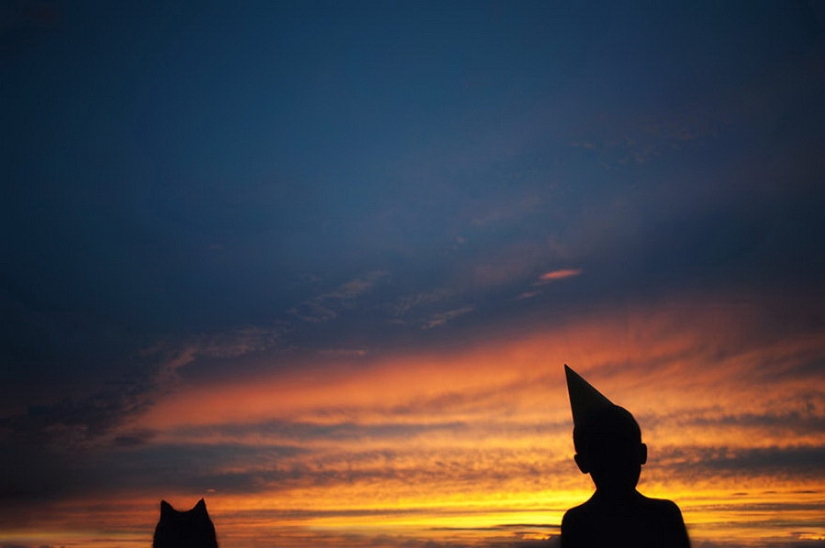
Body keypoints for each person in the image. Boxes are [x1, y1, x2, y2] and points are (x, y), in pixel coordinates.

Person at [561, 365, 690, 548]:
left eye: (622, 451)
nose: (615, 464)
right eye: (605, 454)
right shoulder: (663, 516)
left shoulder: (578, 522)